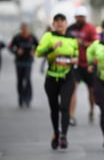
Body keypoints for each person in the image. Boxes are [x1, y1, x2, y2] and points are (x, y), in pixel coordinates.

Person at [35, 13, 78, 149]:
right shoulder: (49, 36)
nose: (59, 23)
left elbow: (76, 56)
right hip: (52, 78)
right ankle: (55, 132)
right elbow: (38, 53)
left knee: (65, 106)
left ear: (66, 23)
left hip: (67, 77)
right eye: (57, 21)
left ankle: (64, 136)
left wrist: (74, 60)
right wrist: (52, 48)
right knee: (54, 108)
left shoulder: (72, 39)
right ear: (53, 24)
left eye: (62, 21)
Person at [67, 6, 98, 126]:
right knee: (73, 88)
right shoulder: (70, 29)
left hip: (89, 64)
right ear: (75, 17)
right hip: (75, 64)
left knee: (91, 90)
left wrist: (84, 43)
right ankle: (71, 115)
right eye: (79, 16)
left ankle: (91, 110)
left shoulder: (90, 28)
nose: (80, 18)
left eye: (82, 16)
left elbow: (95, 43)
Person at [8, 23, 39, 108]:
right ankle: (21, 98)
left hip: (28, 62)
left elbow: (39, 46)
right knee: (20, 80)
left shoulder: (32, 37)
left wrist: (34, 51)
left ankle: (28, 99)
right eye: (23, 29)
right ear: (21, 29)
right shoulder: (17, 37)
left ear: (28, 29)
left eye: (26, 29)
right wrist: (16, 51)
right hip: (19, 62)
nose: (25, 30)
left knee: (27, 79)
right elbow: (10, 47)